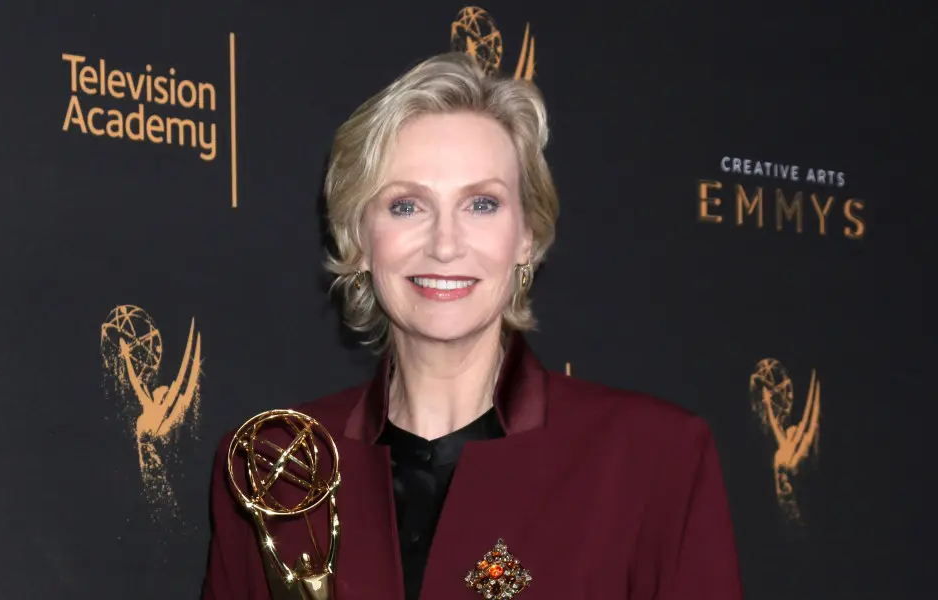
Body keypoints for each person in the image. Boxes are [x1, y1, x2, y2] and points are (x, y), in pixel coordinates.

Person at [202, 51, 744, 600]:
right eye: (407, 206)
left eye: (482, 204)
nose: (445, 245)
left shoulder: (653, 458)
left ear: (526, 236)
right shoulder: (271, 464)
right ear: (359, 238)